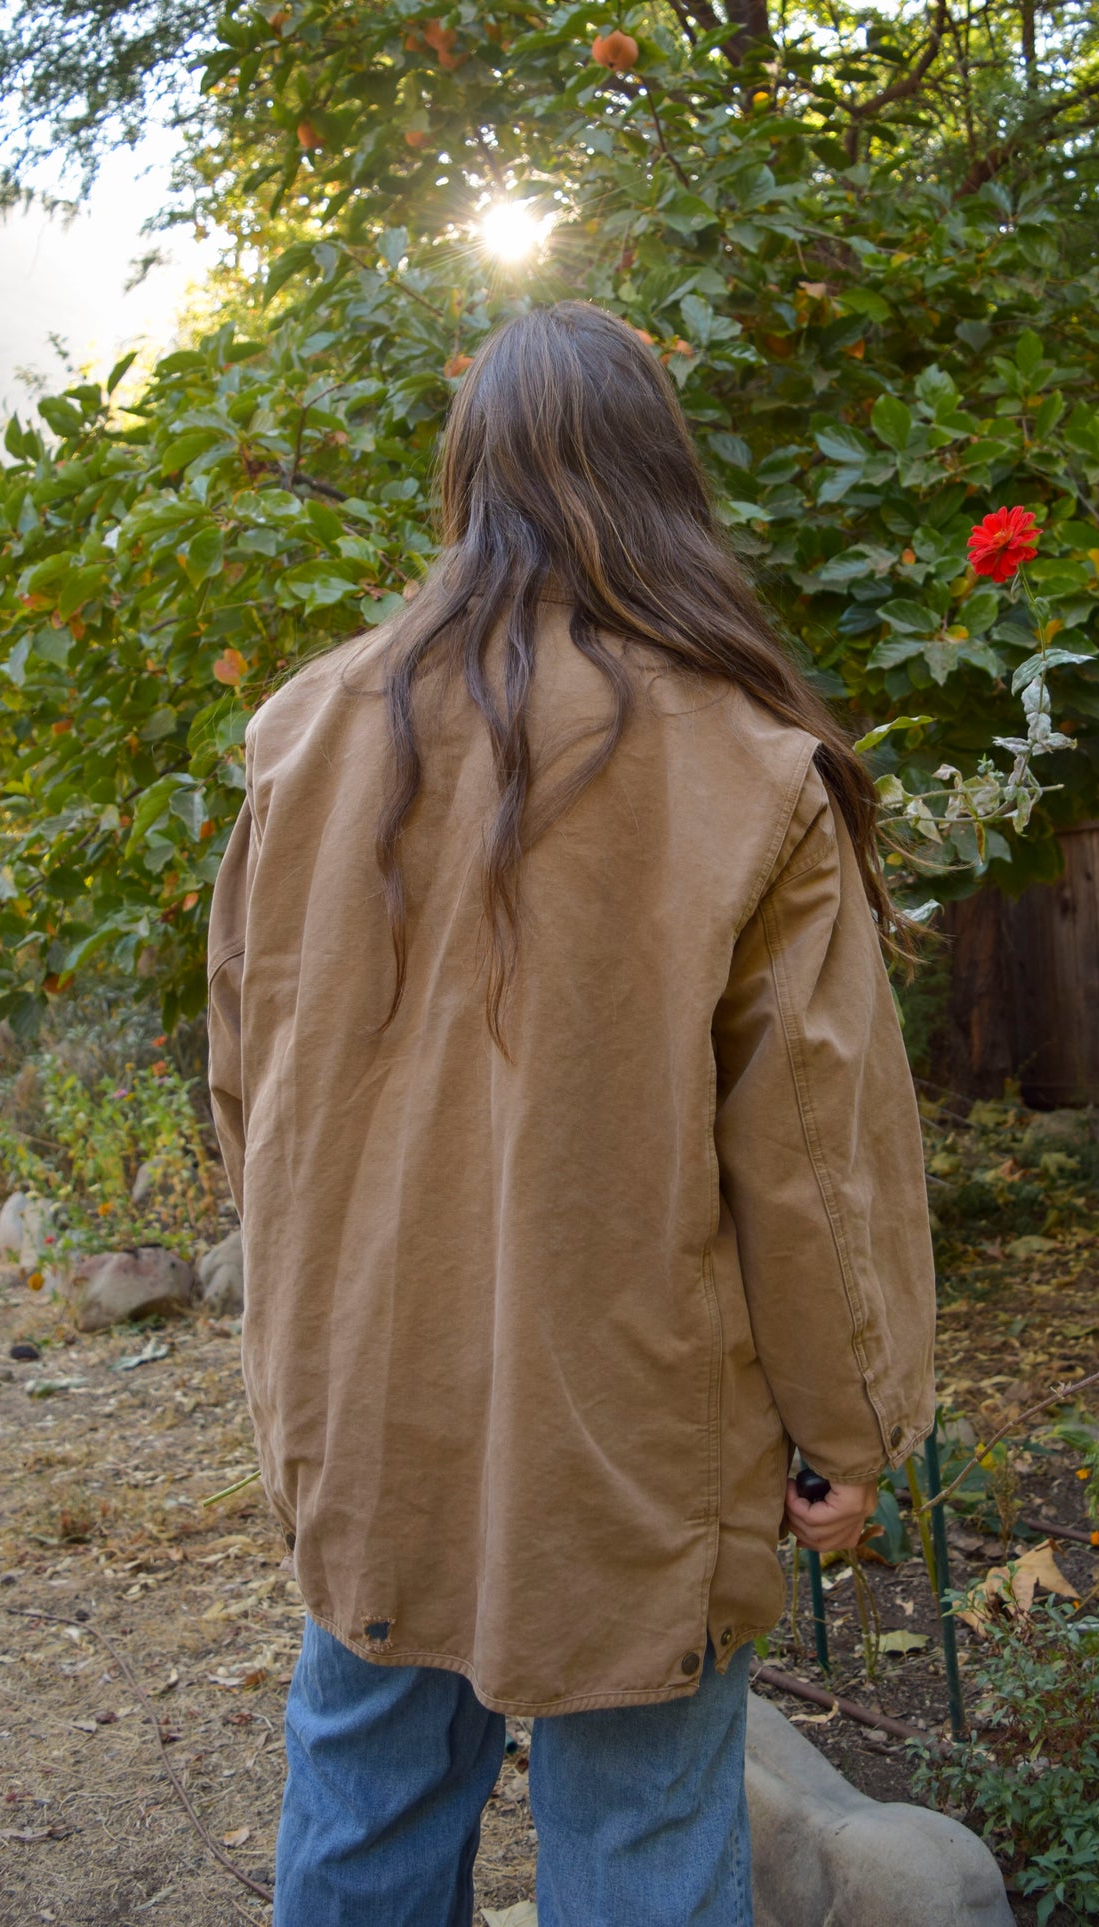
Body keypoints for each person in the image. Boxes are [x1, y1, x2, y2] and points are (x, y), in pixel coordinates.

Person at [205, 299, 936, 1927]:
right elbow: (811, 1154)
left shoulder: (307, 736)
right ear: (661, 477)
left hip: (370, 1375)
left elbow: (247, 1091)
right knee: (645, 1833)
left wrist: (305, 1336)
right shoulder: (746, 766)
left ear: (466, 481)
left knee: (365, 1787)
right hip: (626, 1407)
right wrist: (845, 1426)